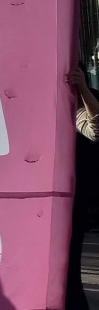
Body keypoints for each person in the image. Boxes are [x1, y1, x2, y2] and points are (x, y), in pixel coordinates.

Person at [67, 68, 98, 310]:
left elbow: (94, 130)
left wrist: (83, 91)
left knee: (67, 263)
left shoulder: (77, 100)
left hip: (72, 199)